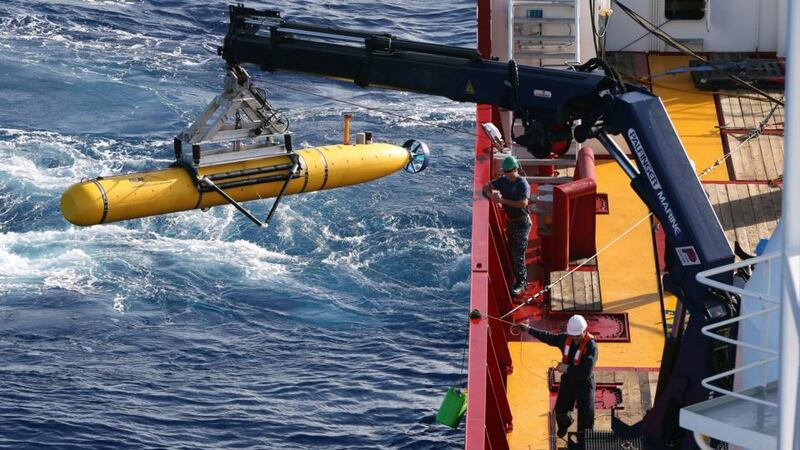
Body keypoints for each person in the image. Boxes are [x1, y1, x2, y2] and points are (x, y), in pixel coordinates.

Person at [515, 315, 597, 440]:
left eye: (577, 335)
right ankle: (565, 423)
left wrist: (566, 368)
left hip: (584, 384)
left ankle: (584, 442)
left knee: (586, 416)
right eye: (573, 335)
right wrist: (528, 329)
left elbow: (585, 371)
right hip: (569, 381)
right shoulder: (566, 338)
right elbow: (548, 337)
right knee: (560, 410)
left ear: (584, 331)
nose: (574, 338)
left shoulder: (591, 347)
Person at [482, 155, 531, 297]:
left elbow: (523, 203)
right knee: (511, 249)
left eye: (509, 171)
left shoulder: (522, 184)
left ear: (516, 169)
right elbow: (487, 186)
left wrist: (502, 200)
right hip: (511, 222)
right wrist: (491, 196)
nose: (506, 174)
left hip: (522, 222)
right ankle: (514, 276)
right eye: (505, 171)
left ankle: (521, 282)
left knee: (518, 253)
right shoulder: (503, 181)